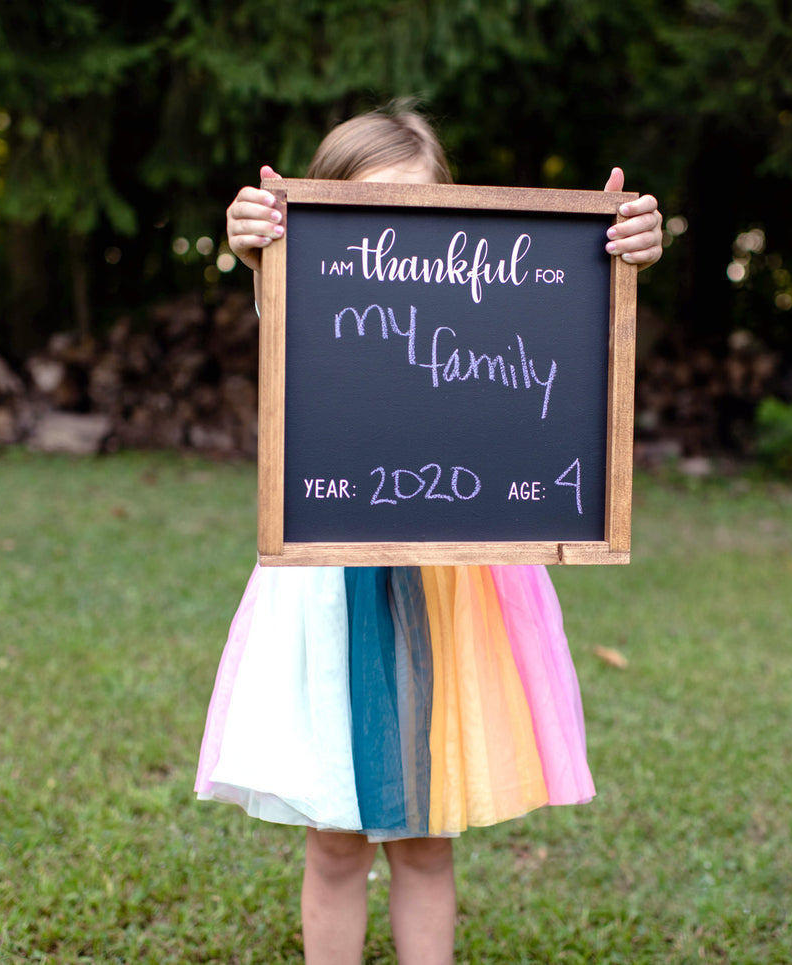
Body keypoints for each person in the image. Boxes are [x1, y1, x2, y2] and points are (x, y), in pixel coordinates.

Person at [196, 105, 662, 965]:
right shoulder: (300, 288)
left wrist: (619, 243)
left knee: (425, 835)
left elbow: (570, 314)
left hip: (455, 586)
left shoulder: (489, 300)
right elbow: (268, 274)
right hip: (326, 586)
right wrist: (252, 242)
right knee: (335, 836)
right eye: (364, 219)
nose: (389, 245)